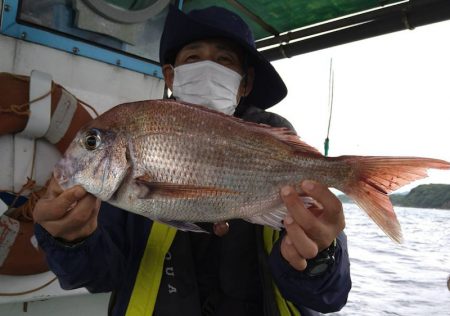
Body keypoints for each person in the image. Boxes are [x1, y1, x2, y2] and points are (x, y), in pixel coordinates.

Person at [33, 5, 351, 316]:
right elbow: (98, 275)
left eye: (225, 59)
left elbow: (330, 297)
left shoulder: (281, 150)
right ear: (171, 76)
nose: (208, 67)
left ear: (245, 84)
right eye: (193, 57)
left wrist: (320, 258)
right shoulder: (133, 155)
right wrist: (70, 241)